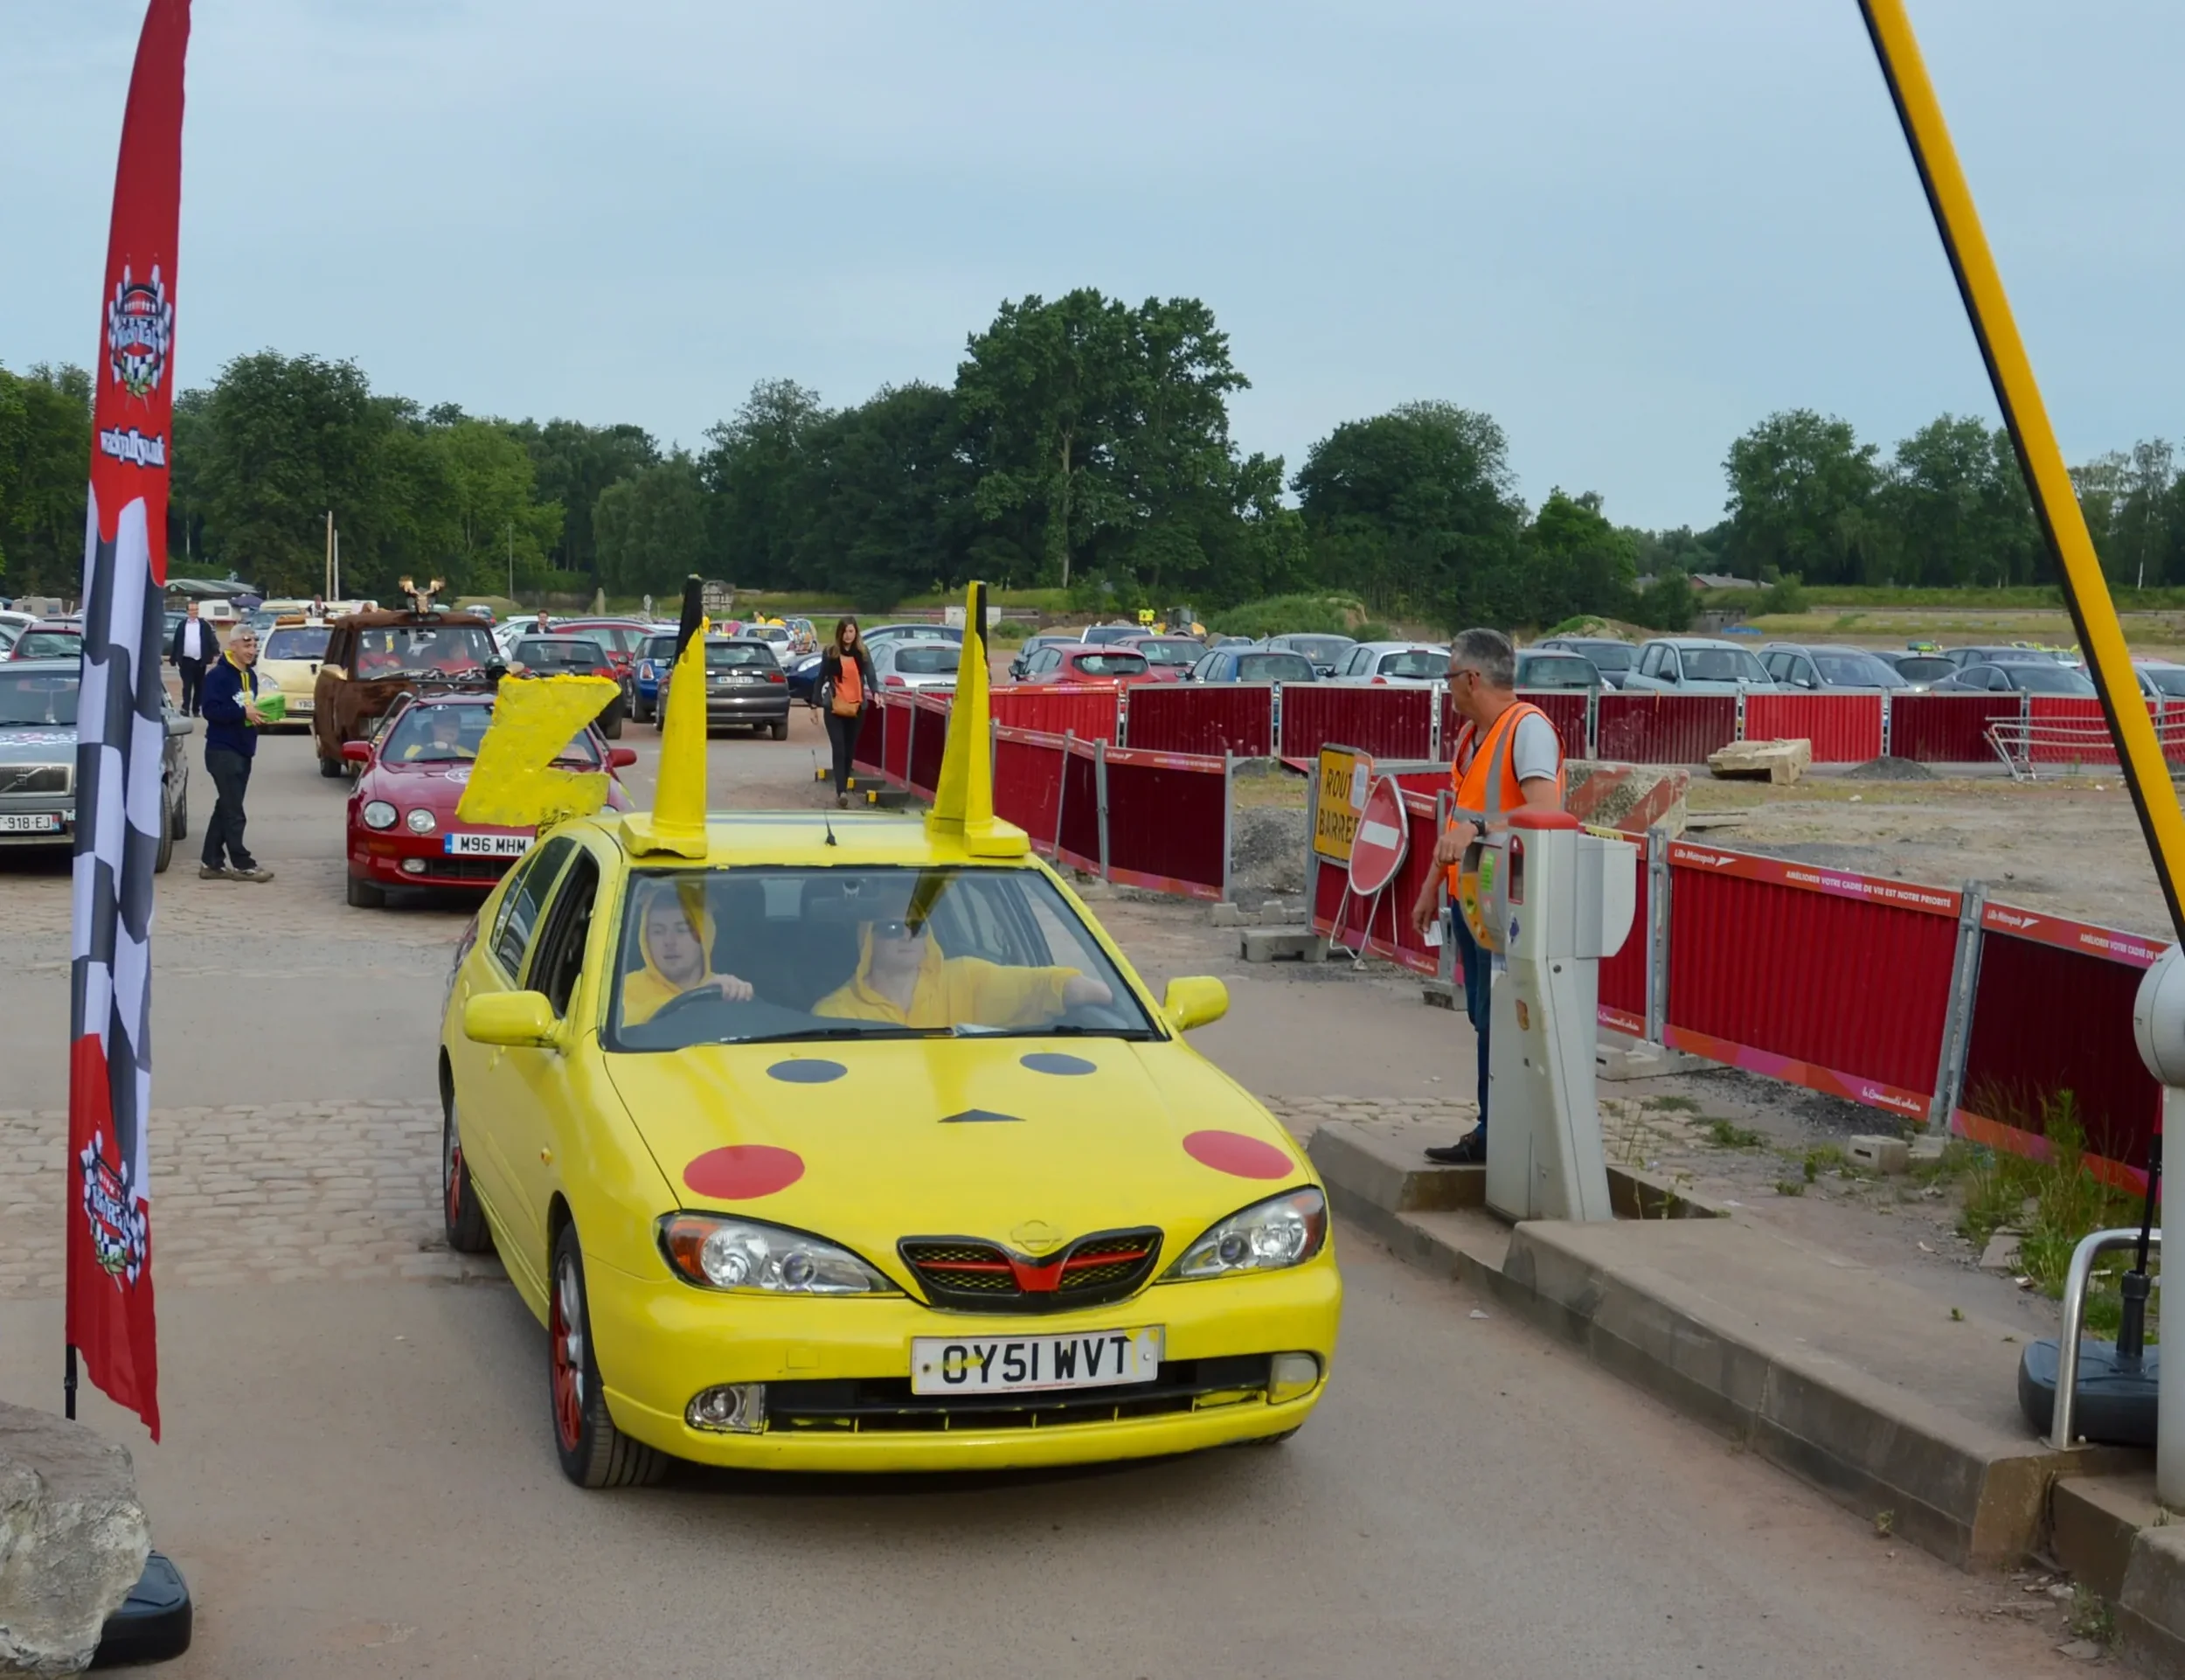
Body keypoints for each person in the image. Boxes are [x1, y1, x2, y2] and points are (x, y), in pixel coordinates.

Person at [1409, 628, 1565, 1164]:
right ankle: (1494, 1126)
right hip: (1476, 903)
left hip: (1511, 905)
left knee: (1502, 1018)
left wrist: (1477, 832)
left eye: (1450, 677)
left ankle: (1498, 1131)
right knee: (1485, 1016)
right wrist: (1434, 882)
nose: (1447, 689)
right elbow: (1459, 818)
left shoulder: (1528, 731)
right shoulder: (1472, 738)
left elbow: (1546, 811)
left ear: (1472, 678)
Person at [815, 915, 1113, 1028]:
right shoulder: (834, 1012)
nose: (907, 936)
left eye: (917, 926)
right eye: (892, 928)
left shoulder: (967, 979)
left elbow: (1038, 986)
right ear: (867, 939)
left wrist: (1104, 997)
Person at [198, 625, 274, 883]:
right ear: (233, 646)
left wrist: (261, 715)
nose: (251, 650)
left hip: (244, 748)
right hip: (222, 750)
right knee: (234, 811)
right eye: (246, 645)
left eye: (254, 645)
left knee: (225, 806)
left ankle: (211, 862)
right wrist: (243, 714)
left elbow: (249, 707)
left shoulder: (250, 676)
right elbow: (210, 711)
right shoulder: (218, 677)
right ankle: (243, 864)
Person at [621, 880, 754, 1026]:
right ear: (645, 939)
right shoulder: (621, 991)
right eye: (658, 931)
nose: (669, 941)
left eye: (682, 930)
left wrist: (741, 995)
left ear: (704, 937)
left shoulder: (724, 990)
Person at [818, 618, 876, 809]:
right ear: (839, 633)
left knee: (850, 750)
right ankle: (841, 791)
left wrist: (877, 693)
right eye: (845, 632)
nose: (848, 635)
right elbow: (820, 678)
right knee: (839, 747)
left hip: (856, 707)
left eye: (851, 631)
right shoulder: (830, 652)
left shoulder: (863, 653)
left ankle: (844, 782)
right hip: (834, 707)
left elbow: (871, 676)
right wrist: (813, 705)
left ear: (856, 632)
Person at [170, 600, 217, 716]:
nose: (193, 612)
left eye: (195, 610)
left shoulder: (204, 625)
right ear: (187, 611)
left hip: (200, 661)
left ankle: (196, 709)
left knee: (199, 686)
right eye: (191, 610)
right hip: (186, 660)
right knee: (187, 685)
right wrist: (174, 658)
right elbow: (176, 642)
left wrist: (212, 654)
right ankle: (185, 708)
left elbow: (210, 640)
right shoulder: (182, 625)